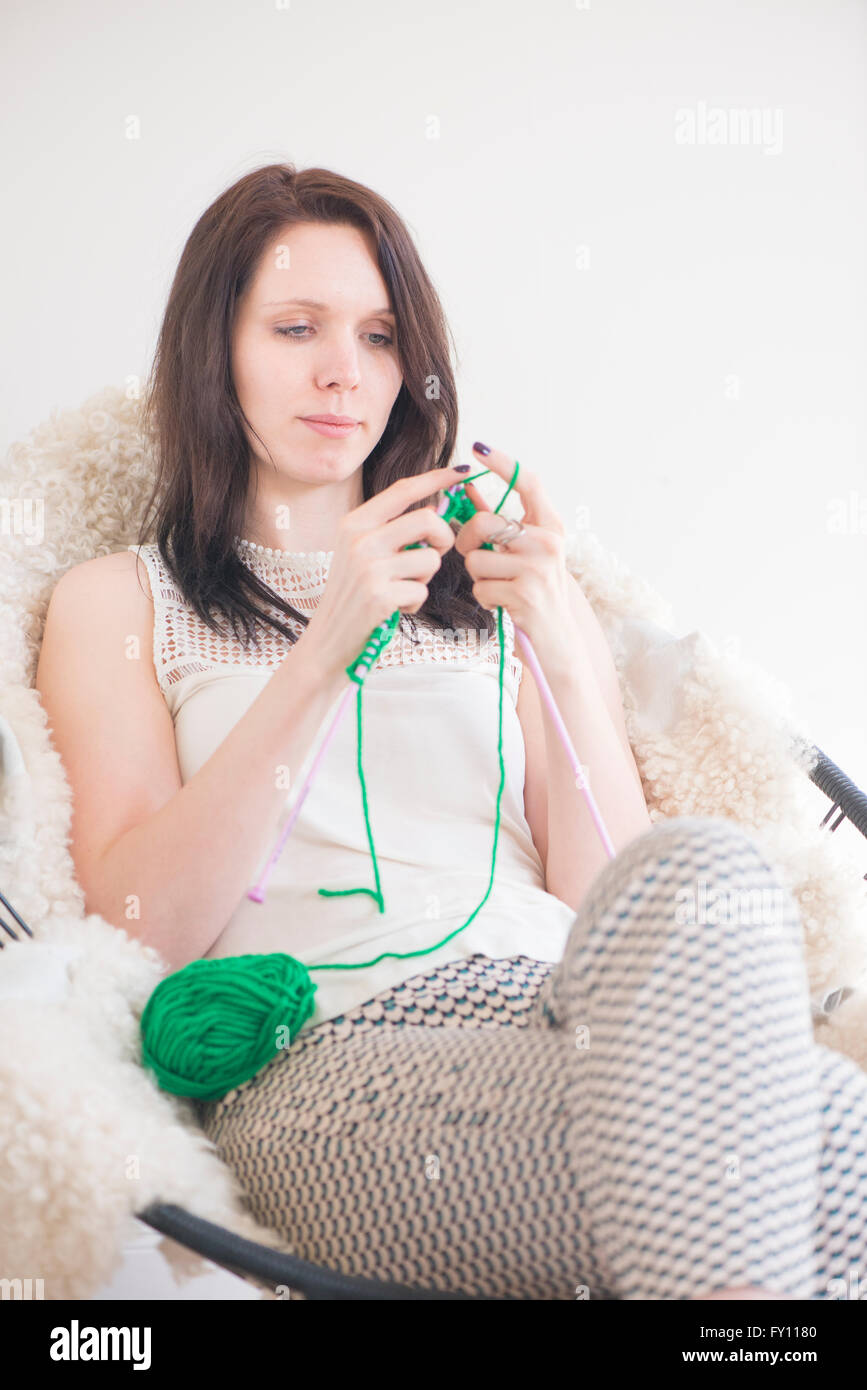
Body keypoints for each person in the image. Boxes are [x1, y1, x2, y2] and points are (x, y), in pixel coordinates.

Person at [35, 163, 867, 1301]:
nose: (345, 371)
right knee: (812, 1149)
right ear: (210, 350)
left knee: (711, 874)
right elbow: (138, 930)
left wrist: (566, 641)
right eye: (295, 328)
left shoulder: (482, 593)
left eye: (381, 337)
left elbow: (612, 897)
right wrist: (326, 647)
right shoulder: (120, 602)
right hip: (333, 1070)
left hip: (570, 1018)